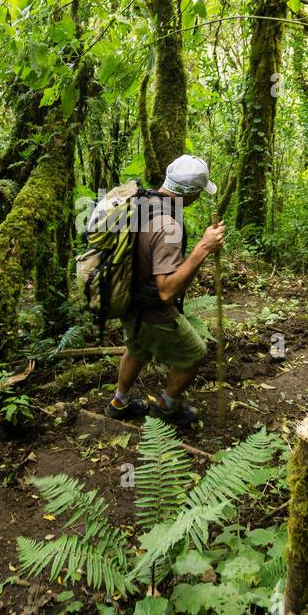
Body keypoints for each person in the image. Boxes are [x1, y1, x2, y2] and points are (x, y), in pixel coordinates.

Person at [105, 154, 225, 426]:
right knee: (195, 353)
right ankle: (166, 407)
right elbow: (167, 291)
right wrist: (203, 247)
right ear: (191, 194)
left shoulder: (140, 202)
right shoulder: (169, 225)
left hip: (127, 301)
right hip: (152, 311)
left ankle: (118, 402)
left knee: (136, 348)